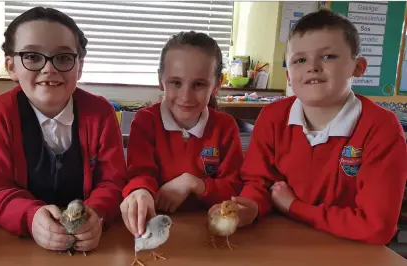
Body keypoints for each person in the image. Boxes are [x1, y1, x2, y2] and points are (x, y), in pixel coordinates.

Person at [227, 9, 407, 245]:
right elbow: (258, 182)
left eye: (328, 56)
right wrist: (248, 207)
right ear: (289, 75)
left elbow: (376, 227)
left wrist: (294, 206)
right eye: (300, 60)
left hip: (350, 249)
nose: (312, 67)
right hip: (279, 242)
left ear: (358, 67)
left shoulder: (381, 128)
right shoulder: (272, 116)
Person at [0, 7, 127, 253]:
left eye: (64, 57)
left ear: (79, 67)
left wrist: (97, 214)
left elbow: (113, 181)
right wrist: (30, 217)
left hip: (91, 247)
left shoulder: (100, 112)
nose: (49, 68)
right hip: (18, 246)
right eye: (33, 57)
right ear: (11, 66)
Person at [120, 31, 244, 237]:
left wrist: (193, 183)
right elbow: (139, 173)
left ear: (217, 84)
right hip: (155, 227)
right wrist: (140, 191)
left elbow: (235, 187)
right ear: (161, 81)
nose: (186, 96)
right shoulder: (145, 121)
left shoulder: (225, 126)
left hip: (209, 229)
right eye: (175, 83)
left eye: (199, 84)